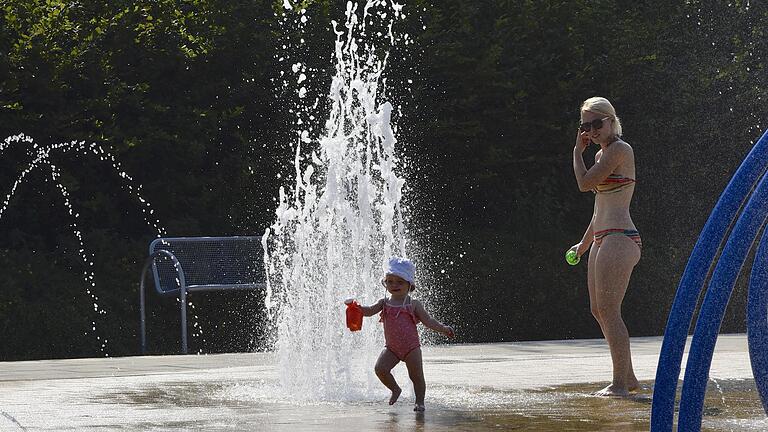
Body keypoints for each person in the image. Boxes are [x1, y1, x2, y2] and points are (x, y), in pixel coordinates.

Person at [568, 96, 641, 397]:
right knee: (598, 309)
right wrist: (584, 244)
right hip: (602, 237)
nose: (592, 131)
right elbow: (599, 206)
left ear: (612, 120)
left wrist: (576, 152)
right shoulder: (601, 156)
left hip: (620, 237)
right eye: (586, 126)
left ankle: (619, 384)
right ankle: (630, 378)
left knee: (610, 311)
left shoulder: (620, 150)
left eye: (597, 123)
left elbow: (585, 184)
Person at [356, 257, 454, 412]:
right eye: (390, 281)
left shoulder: (413, 304)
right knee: (380, 368)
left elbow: (428, 321)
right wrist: (358, 309)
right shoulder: (384, 302)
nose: (394, 285)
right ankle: (395, 389)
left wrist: (443, 328)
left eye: (400, 282)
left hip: (411, 348)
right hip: (392, 348)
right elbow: (369, 311)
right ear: (385, 282)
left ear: (410, 284)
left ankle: (420, 401)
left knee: (416, 377)